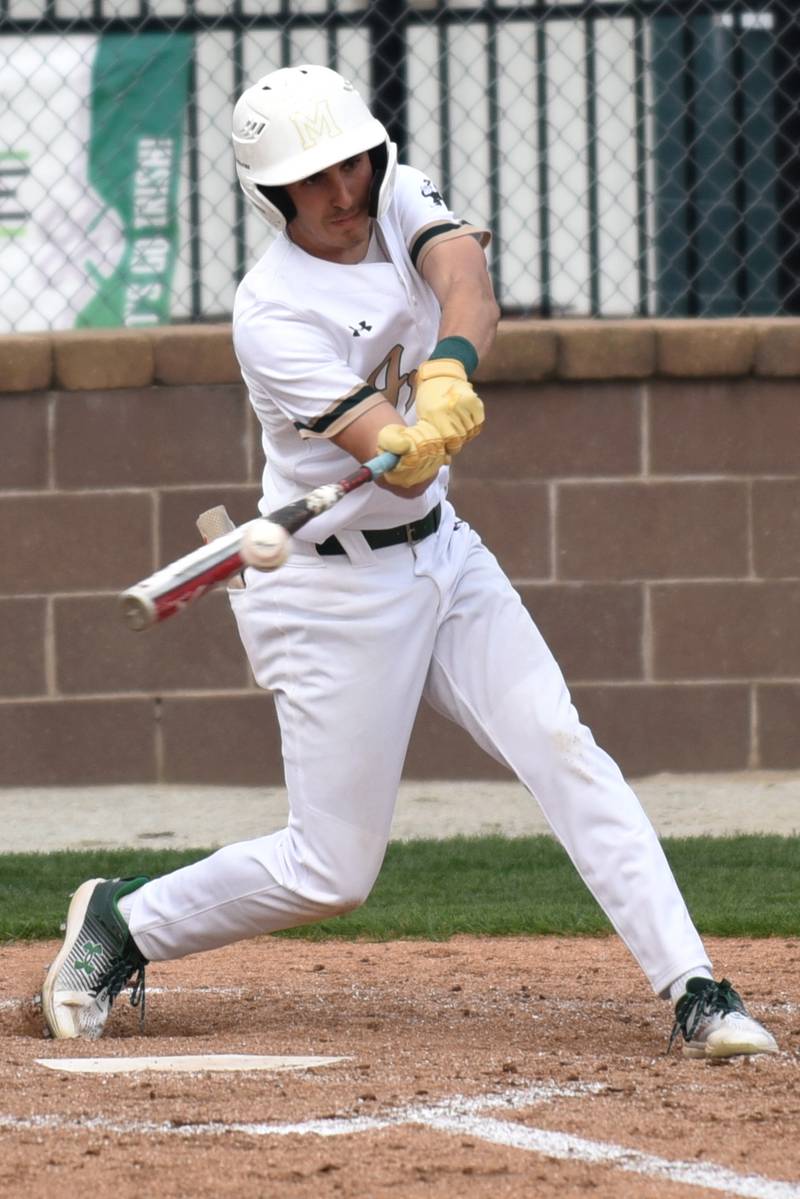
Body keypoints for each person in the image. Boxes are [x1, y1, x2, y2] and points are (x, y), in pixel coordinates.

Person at [40, 64, 777, 1060]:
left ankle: (694, 986)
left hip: (445, 560)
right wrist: (413, 434)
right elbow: (388, 463)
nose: (342, 190)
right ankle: (127, 920)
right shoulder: (272, 316)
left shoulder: (394, 191)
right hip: (326, 590)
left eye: (350, 161)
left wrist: (451, 367)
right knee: (330, 871)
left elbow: (464, 278)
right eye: (313, 178)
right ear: (272, 195)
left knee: (562, 746)